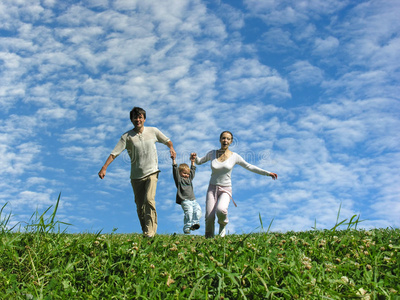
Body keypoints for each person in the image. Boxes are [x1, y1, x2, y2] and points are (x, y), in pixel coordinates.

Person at [98, 107, 176, 238]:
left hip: (152, 171)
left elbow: (167, 140)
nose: (138, 119)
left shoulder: (153, 131)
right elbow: (114, 153)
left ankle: (151, 232)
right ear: (131, 120)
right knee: (140, 206)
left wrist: (171, 148)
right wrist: (104, 167)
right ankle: (146, 231)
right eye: (135, 117)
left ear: (144, 119)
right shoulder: (127, 137)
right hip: (136, 176)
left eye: (140, 117)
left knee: (149, 200)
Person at [193, 131, 277, 238]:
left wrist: (267, 173)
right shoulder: (212, 154)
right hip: (212, 188)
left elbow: (249, 166)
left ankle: (222, 226)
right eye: (223, 138)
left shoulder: (235, 156)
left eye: (228, 139)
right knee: (209, 217)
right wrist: (195, 157)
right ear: (220, 140)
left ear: (231, 141)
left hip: (226, 189)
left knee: (221, 210)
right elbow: (199, 161)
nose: (225, 141)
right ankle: (209, 239)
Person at [171, 153, 202, 234]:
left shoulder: (189, 179)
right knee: (189, 212)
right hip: (184, 200)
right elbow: (175, 171)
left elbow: (193, 170)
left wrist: (192, 161)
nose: (186, 175)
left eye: (187, 174)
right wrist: (174, 160)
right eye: (184, 173)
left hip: (193, 200)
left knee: (198, 211)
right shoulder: (179, 180)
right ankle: (187, 228)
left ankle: (195, 224)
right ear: (180, 173)